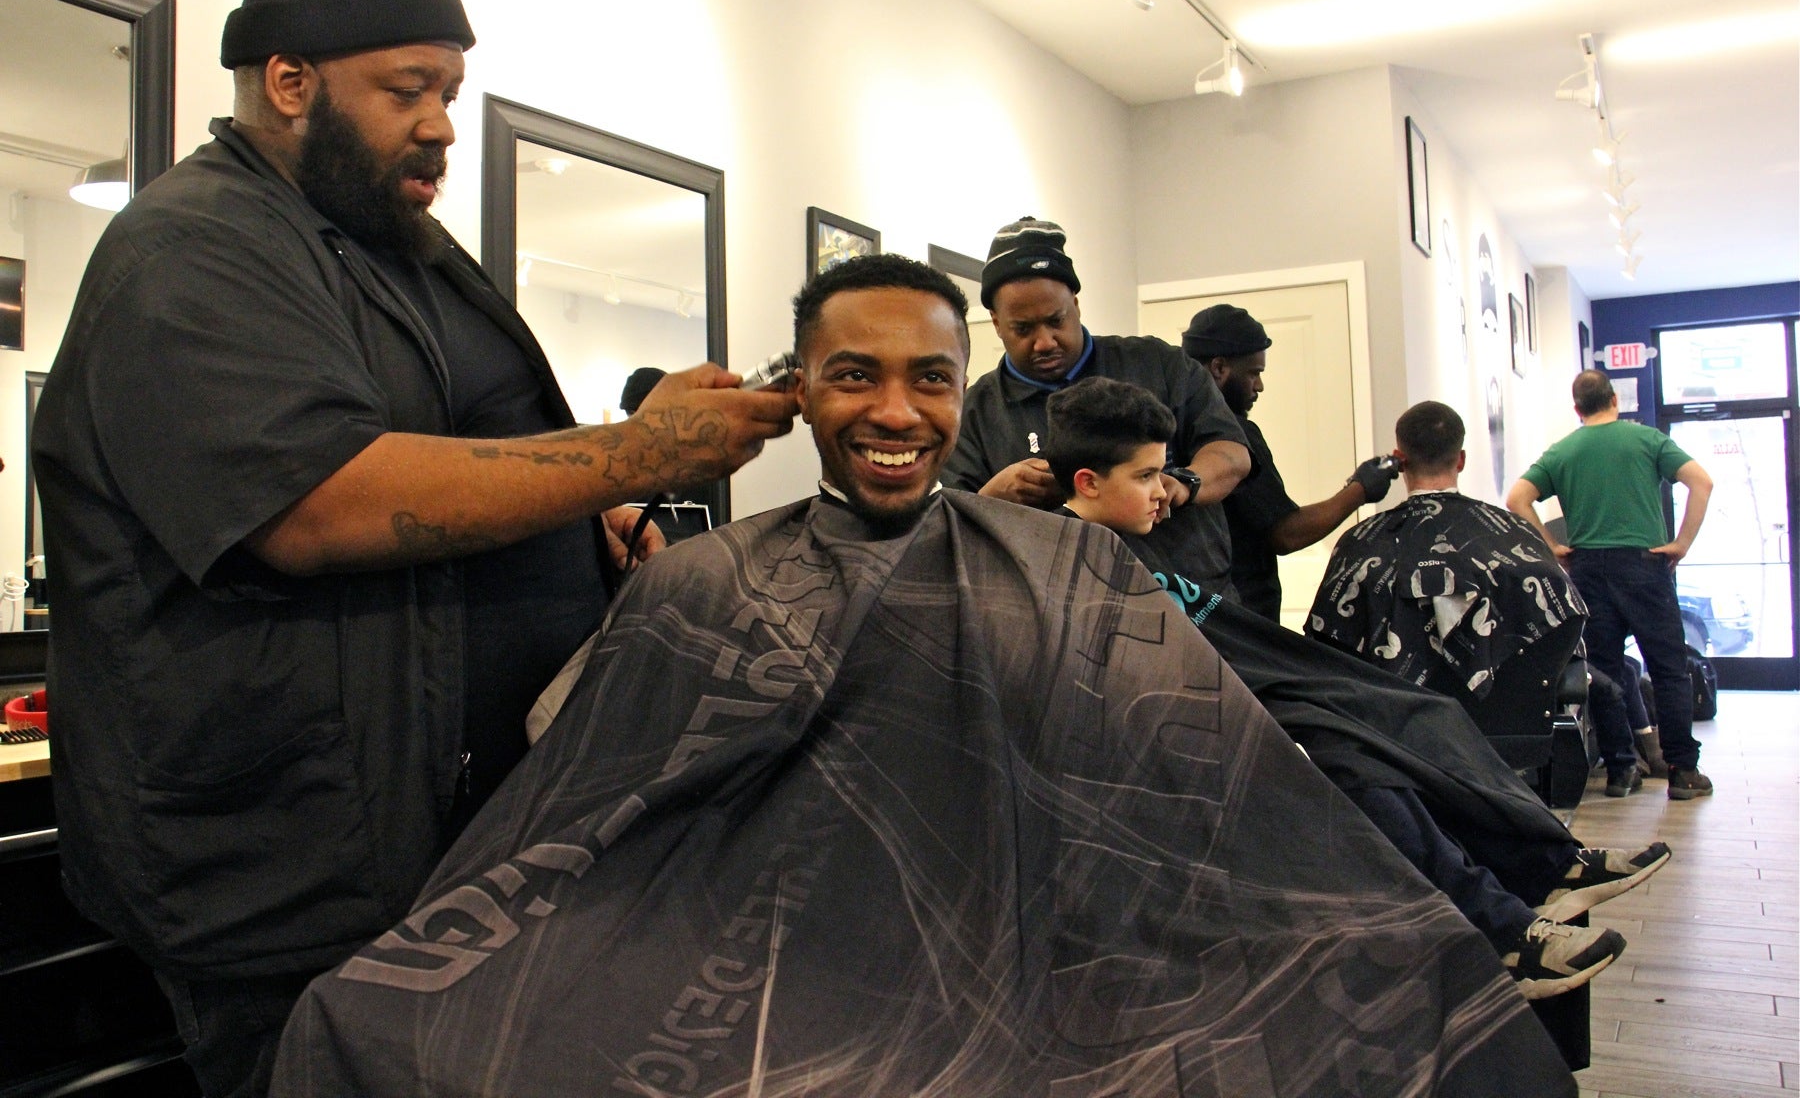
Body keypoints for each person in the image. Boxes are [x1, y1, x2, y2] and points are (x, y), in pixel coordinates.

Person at [275, 256, 1579, 1096]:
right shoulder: (702, 578)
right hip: (779, 949)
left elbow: (1193, 788)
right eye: (855, 377)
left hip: (1048, 937)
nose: (894, 411)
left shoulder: (1070, 570)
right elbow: (593, 795)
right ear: (801, 396)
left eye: (928, 379)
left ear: (965, 394)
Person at [30, 0, 795, 1096]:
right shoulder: (189, 251)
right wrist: (630, 456)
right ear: (290, 82)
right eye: (409, 88)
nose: (441, 120)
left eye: (452, 88)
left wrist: (574, 515)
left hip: (456, 850)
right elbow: (316, 502)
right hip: (295, 877)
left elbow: (459, 445)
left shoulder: (390, 246)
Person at [1044, 378, 1668, 1000]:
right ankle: (1509, 924)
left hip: (1228, 691)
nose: (1166, 492)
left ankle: (1543, 872)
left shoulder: (1122, 545)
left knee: (1405, 713)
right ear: (1087, 483)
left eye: (1164, 473)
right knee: (1355, 754)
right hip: (1176, 730)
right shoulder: (1069, 559)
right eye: (1147, 477)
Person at [1308, 401, 1643, 798]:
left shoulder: (1362, 544)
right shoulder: (1515, 536)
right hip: (1505, 733)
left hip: (1396, 739)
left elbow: (1324, 650)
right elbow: (1564, 628)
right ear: (1462, 459)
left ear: (1399, 460)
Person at [942, 217, 1250, 594]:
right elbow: (950, 529)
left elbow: (1232, 455)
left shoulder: (1158, 364)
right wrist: (995, 497)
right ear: (995, 323)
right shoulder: (975, 411)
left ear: (1075, 304)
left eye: (1056, 321)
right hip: (1063, 614)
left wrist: (1183, 483)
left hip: (1194, 600)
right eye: (1023, 329)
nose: (1044, 342)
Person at [1507, 371, 1715, 801]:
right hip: (1645, 566)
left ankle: (1622, 770)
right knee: (1669, 668)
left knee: (1602, 670)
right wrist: (1682, 543)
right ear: (1614, 399)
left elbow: (1517, 499)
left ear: (1577, 408)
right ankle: (1681, 771)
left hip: (1587, 568)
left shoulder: (1563, 451)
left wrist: (1553, 547)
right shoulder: (1647, 440)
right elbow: (1702, 481)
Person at [1180, 304, 1398, 621]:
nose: (1259, 386)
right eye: (1254, 373)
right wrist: (1360, 489)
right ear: (1219, 367)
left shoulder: (1168, 424)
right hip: (1239, 622)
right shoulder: (1233, 436)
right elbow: (1286, 533)